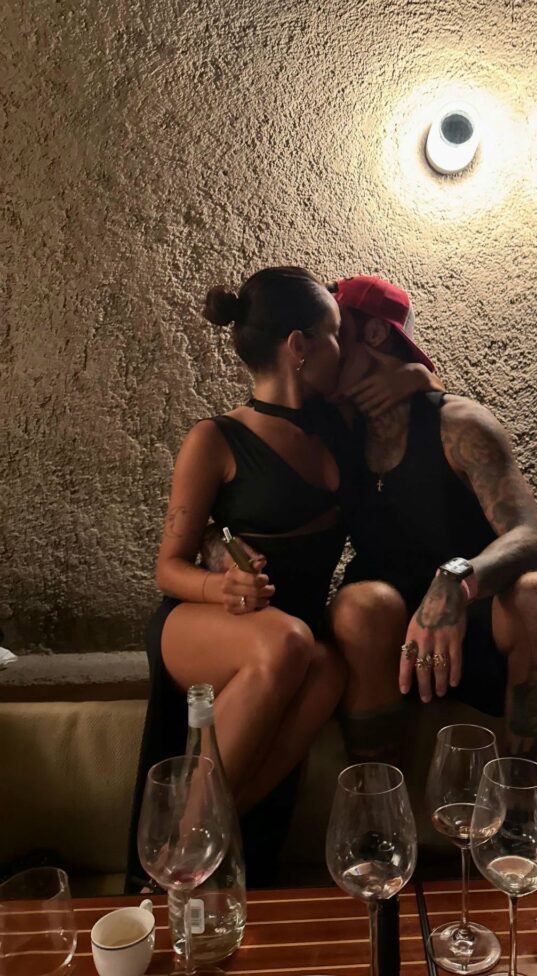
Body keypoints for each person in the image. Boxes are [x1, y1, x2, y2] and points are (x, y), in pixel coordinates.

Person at [127, 266, 350, 890]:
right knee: (291, 642)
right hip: (204, 622)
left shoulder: (339, 429)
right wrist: (220, 584)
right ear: (299, 346)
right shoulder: (215, 438)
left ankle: (207, 839)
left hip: (286, 634)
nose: (344, 349)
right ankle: (177, 869)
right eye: (335, 335)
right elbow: (167, 568)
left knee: (328, 666)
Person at [327, 276, 537, 764]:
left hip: (473, 614)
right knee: (362, 605)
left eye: (333, 329)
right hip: (380, 632)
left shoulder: (459, 423)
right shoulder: (333, 426)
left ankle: (521, 795)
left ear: (373, 333)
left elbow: (532, 535)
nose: (321, 346)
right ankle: (374, 802)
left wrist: (456, 580)